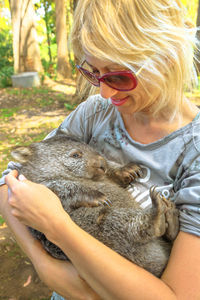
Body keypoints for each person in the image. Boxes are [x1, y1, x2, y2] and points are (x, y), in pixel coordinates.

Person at [1, 0, 200, 299]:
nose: (104, 92)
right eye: (92, 73)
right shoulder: (94, 113)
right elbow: (9, 182)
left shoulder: (193, 152)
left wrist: (58, 228)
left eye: (119, 76)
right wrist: (44, 264)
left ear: (167, 56)